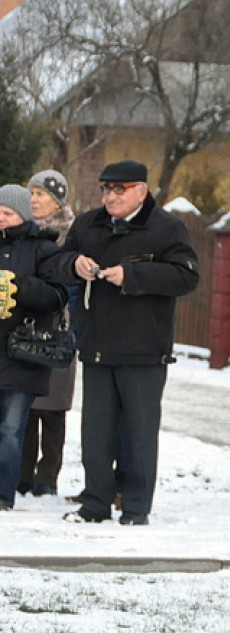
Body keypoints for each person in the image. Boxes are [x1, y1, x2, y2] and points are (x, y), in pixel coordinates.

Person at [53, 160, 199, 526]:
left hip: (145, 349)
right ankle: (95, 503)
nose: (111, 196)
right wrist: (75, 265)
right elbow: (57, 263)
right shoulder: (88, 224)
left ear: (141, 191)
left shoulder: (166, 228)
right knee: (96, 434)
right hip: (97, 344)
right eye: (106, 188)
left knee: (139, 433)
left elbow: (186, 277)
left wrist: (132, 275)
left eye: (120, 189)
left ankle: (135, 507)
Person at [0, 184, 67, 511]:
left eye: (7, 212)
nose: (0, 217)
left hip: (21, 354)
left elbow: (56, 296)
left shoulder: (44, 250)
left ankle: (2, 495)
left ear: (23, 215)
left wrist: (18, 285)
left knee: (11, 429)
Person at [18, 170, 77, 498]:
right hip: (24, 328)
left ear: (57, 200)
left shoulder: (72, 235)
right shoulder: (22, 233)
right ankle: (22, 473)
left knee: (53, 408)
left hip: (60, 329)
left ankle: (47, 476)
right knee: (25, 402)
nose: (34, 200)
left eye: (41, 194)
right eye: (32, 193)